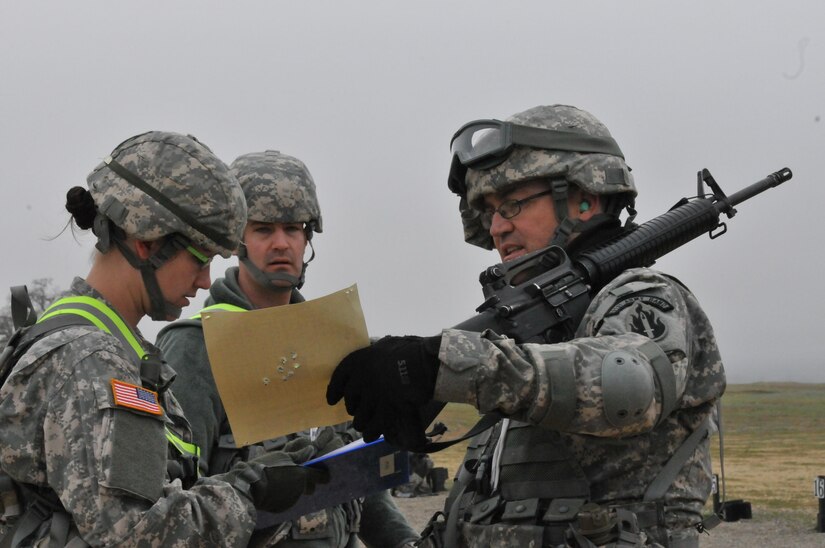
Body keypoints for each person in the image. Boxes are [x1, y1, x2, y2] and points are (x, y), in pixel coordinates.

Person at [327, 105, 726, 547]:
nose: (497, 227)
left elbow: (626, 386)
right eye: (490, 212)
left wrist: (439, 364)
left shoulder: (642, 295)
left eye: (513, 204)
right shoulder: (525, 336)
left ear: (586, 198)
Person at [0, 132, 325, 547]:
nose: (206, 279)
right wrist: (251, 492)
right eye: (199, 258)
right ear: (146, 242)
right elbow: (140, 532)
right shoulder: (91, 359)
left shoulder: (108, 345)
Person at [156, 150, 419, 548]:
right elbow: (172, 501)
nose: (281, 243)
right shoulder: (198, 345)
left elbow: (354, 477)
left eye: (293, 229)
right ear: (237, 240)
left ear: (307, 237)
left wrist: (404, 542)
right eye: (263, 229)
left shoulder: (330, 339)